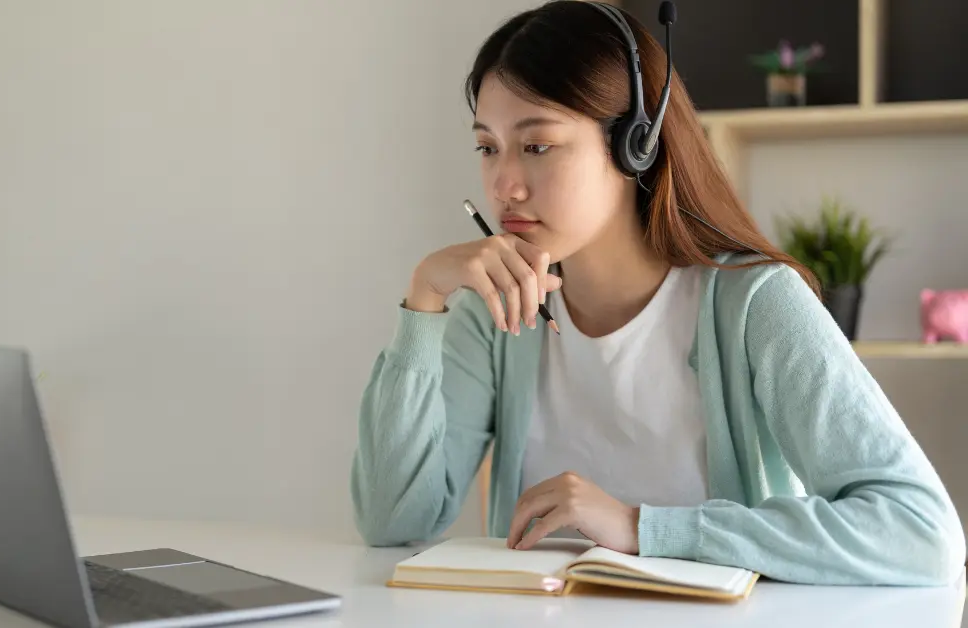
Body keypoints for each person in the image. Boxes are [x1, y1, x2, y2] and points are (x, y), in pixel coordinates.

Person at [350, 0, 965, 586]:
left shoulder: (752, 302)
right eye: (488, 147)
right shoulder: (498, 312)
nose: (504, 184)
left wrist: (642, 528)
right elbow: (393, 521)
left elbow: (921, 531)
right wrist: (424, 299)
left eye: (537, 145)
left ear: (634, 147)